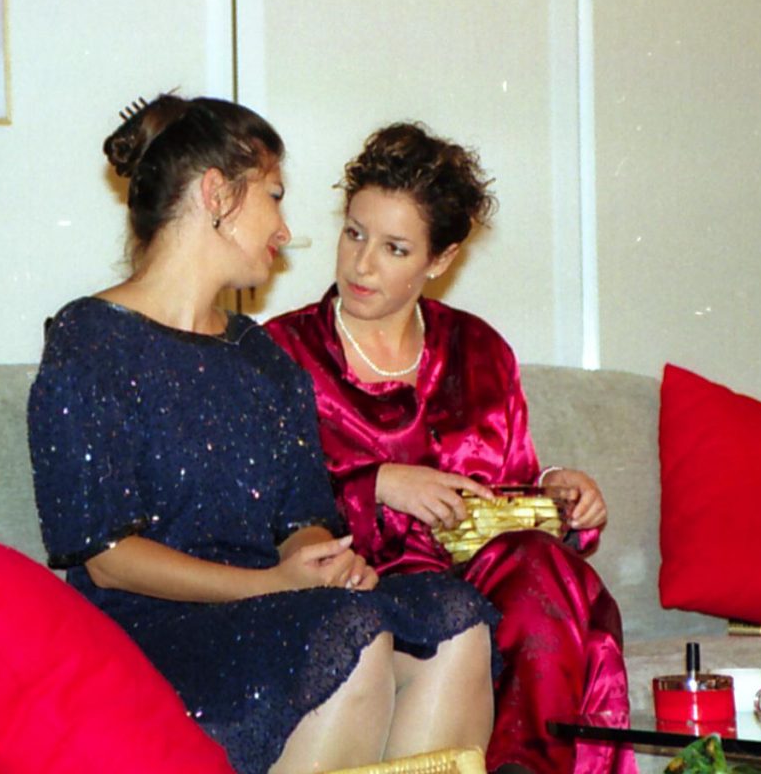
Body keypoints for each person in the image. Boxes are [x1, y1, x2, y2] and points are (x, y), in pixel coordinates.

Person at [27, 96, 498, 774]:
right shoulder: (92, 338)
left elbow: (302, 518)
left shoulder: (261, 356)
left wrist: (319, 562)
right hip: (150, 627)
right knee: (348, 633)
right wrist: (272, 585)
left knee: (456, 618)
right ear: (217, 195)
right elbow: (106, 556)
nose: (284, 229)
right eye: (273, 197)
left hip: (272, 609)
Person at [265, 123, 635, 774]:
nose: (361, 265)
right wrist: (377, 484)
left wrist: (557, 494)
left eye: (394, 248)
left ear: (439, 260)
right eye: (354, 233)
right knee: (480, 608)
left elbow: (510, 494)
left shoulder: (479, 349)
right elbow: (255, 508)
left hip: (487, 593)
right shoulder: (283, 353)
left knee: (542, 563)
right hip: (362, 592)